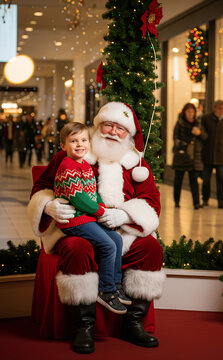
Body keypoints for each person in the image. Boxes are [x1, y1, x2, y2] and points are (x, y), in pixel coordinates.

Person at [27, 102, 165, 353]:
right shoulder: (75, 151)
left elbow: (152, 203)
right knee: (78, 248)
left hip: (124, 231)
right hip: (80, 227)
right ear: (97, 126)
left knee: (151, 248)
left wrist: (124, 216)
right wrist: (48, 206)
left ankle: (133, 323)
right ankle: (84, 325)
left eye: (120, 128)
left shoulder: (138, 166)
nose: (113, 131)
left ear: (129, 134)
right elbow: (41, 188)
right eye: (108, 125)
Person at [55, 122, 131, 315]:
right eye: (73, 141)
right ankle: (106, 290)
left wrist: (102, 207)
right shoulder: (67, 166)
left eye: (83, 140)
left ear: (89, 142)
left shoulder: (86, 166)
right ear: (63, 146)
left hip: (87, 217)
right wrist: (100, 212)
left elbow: (92, 193)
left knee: (116, 239)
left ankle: (115, 283)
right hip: (74, 219)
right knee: (107, 245)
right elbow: (79, 199)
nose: (79, 144)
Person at [172, 102, 206, 209]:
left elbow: (205, 137)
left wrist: (199, 133)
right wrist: (183, 145)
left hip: (193, 157)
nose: (191, 114)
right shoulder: (180, 123)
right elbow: (175, 139)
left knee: (194, 181)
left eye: (192, 111)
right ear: (185, 112)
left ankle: (196, 203)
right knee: (178, 180)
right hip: (181, 156)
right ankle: (176, 201)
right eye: (188, 111)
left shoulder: (198, 124)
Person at [201, 100, 223, 209]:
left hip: (220, 155)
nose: (221, 110)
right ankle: (205, 199)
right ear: (214, 108)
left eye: (222, 108)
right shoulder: (206, 118)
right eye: (219, 108)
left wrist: (221, 145)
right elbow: (202, 134)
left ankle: (221, 200)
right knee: (206, 179)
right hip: (208, 154)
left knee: (221, 179)